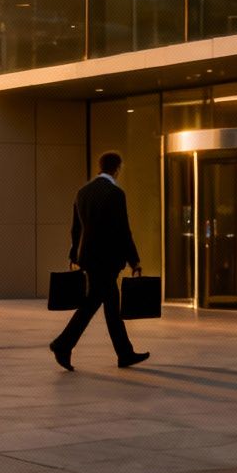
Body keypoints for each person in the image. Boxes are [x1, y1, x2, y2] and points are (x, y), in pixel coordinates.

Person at [49, 150, 150, 371]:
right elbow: (124, 230)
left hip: (88, 258)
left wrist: (74, 255)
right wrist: (135, 261)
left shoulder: (82, 192)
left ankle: (124, 353)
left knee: (109, 305)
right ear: (117, 168)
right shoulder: (115, 194)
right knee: (95, 303)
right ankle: (62, 344)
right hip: (108, 260)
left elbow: (76, 229)